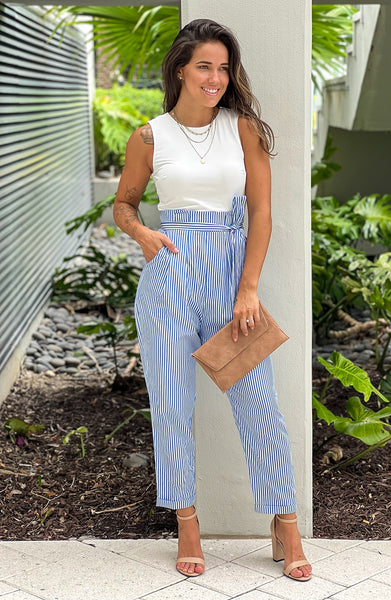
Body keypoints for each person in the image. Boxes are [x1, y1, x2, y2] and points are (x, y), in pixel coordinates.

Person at [113, 18, 312, 582]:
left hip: (230, 285)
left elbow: (262, 213)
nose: (216, 78)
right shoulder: (150, 136)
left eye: (224, 68)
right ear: (181, 68)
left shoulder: (242, 128)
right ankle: (187, 521)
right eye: (205, 66)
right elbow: (124, 204)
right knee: (173, 406)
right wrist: (143, 234)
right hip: (170, 279)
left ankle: (286, 521)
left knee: (260, 405)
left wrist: (248, 288)